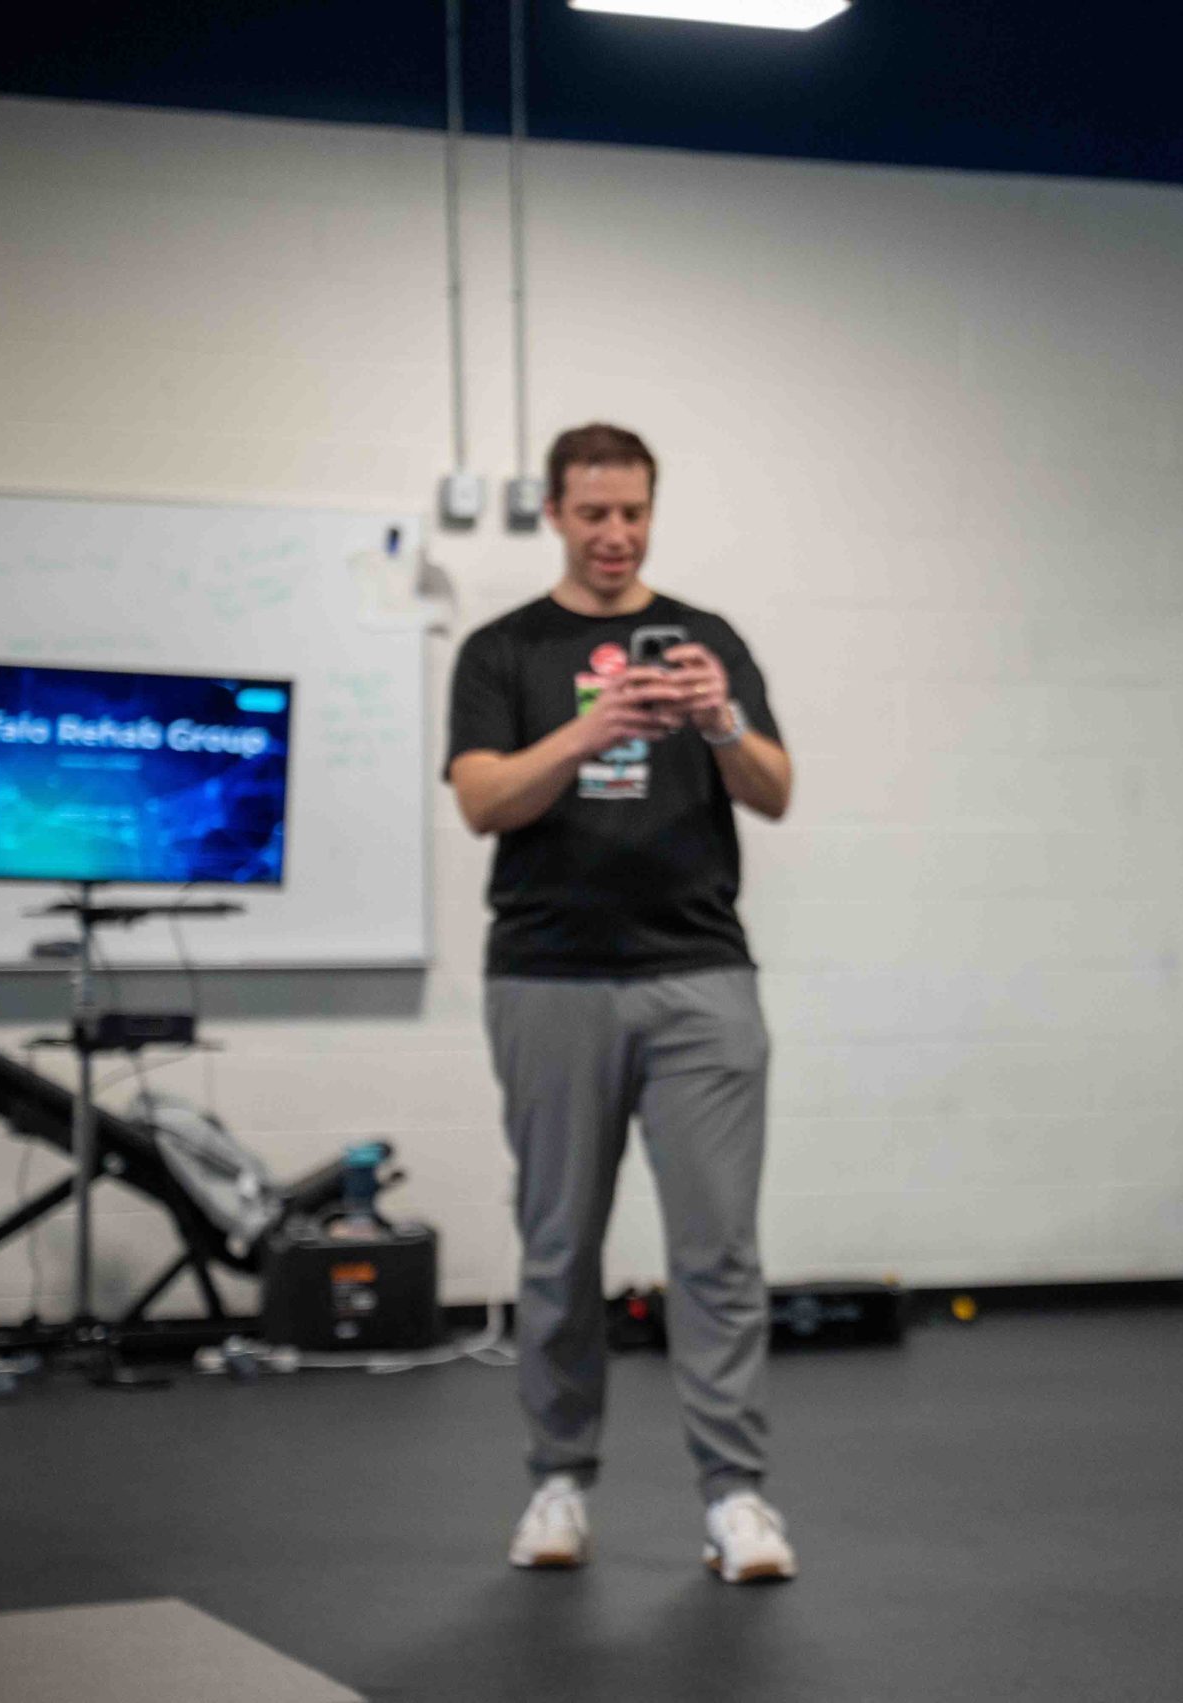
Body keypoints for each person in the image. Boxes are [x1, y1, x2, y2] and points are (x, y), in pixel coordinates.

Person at [444, 422, 798, 1584]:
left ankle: (735, 1497)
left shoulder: (710, 641)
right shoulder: (505, 649)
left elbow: (776, 790)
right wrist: (593, 726)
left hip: (700, 973)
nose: (615, 533)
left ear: (653, 508)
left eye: (634, 511)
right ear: (553, 510)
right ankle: (558, 1480)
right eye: (593, 512)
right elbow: (483, 800)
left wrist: (718, 718)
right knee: (557, 1246)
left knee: (718, 1251)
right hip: (549, 975)